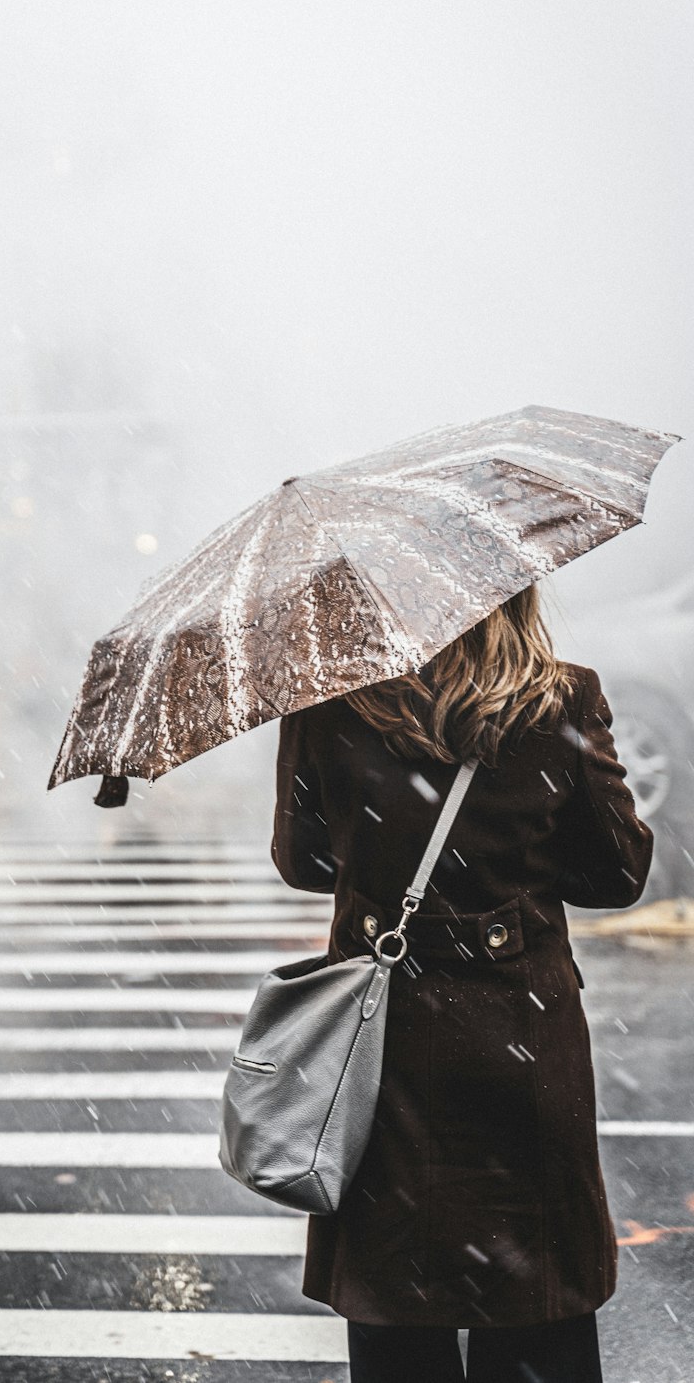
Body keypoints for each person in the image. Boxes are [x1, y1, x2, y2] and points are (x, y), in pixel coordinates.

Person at [270, 584, 653, 1383]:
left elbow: (303, 863)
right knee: (535, 1307)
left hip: (381, 1047)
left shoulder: (329, 703)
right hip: (521, 1034)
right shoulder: (561, 699)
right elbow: (617, 874)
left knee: (394, 1307)